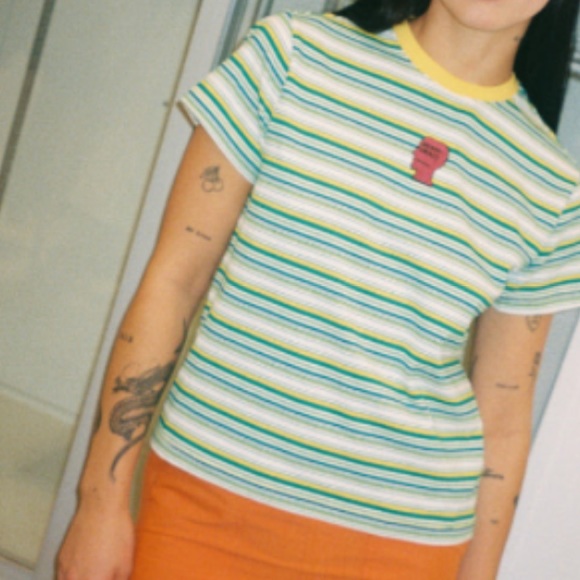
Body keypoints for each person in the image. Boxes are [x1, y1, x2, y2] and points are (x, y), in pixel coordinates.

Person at [58, 0, 580, 578]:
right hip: (203, 501)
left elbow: (503, 412)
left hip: (405, 543)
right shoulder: (291, 57)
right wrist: (99, 501)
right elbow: (173, 281)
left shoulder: (549, 181)